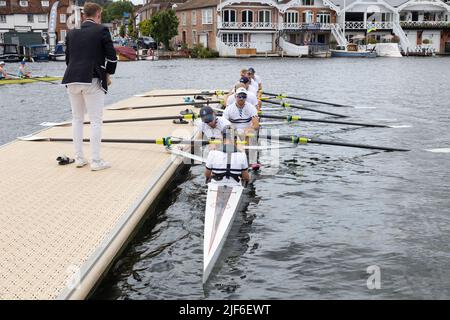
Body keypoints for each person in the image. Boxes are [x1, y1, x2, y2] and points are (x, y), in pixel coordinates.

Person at [62, 2, 117, 171]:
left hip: (71, 79)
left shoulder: (71, 33)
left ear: (84, 15)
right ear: (98, 15)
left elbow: (68, 59)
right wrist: (108, 74)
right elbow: (112, 58)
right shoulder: (101, 30)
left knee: (77, 119)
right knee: (95, 121)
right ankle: (96, 161)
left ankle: (79, 158)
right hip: (92, 79)